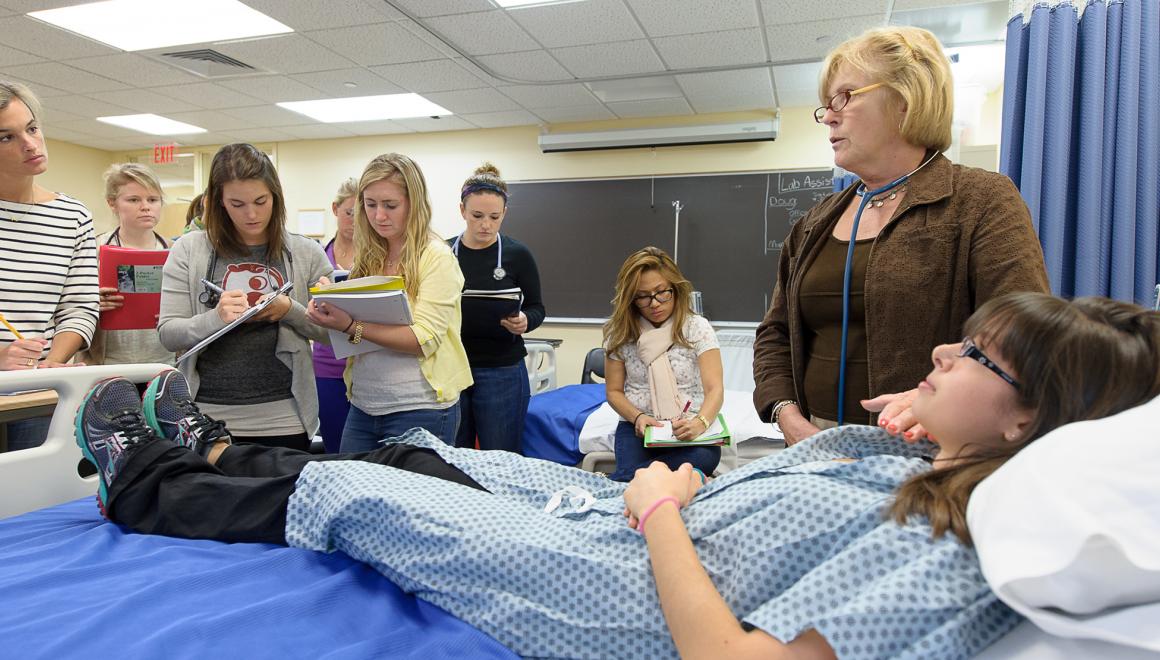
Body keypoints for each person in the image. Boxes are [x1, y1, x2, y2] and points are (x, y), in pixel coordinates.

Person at [77, 292, 1160, 658]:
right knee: (430, 452)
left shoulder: (964, 546)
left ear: (1033, 422)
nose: (937, 355)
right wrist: (897, 425)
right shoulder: (917, 466)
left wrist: (655, 509)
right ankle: (216, 449)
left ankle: (143, 480)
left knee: (364, 493)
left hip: (632, 568)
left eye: (970, 357)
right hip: (631, 519)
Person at [752, 26, 1050, 446]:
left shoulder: (981, 200)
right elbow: (775, 333)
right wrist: (786, 416)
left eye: (846, 96)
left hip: (926, 440)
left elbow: (1024, 332)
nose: (829, 115)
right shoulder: (814, 223)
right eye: (825, 105)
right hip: (810, 441)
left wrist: (933, 399)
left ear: (905, 101)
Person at [158, 143, 332, 451]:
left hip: (285, 418)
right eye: (237, 204)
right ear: (218, 202)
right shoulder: (188, 250)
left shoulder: (306, 253)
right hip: (205, 418)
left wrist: (290, 310)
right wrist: (216, 317)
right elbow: (169, 334)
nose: (251, 214)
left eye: (260, 201)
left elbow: (332, 336)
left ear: (276, 197)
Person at [306, 153, 470, 449]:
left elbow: (423, 339)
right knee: (351, 493)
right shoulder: (369, 256)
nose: (379, 216)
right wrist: (328, 307)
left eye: (390, 206)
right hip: (363, 405)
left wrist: (351, 325)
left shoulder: (436, 257)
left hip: (420, 408)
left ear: (413, 203)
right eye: (370, 205)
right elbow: (353, 332)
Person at [0, 80, 97, 450]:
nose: (29, 144)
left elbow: (80, 306)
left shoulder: (73, 216)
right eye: (6, 137)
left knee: (31, 500)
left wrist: (50, 363)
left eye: (31, 128)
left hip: (37, 395)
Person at [603, 247, 723, 481]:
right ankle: (634, 477)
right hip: (639, 427)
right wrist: (637, 418)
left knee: (703, 458)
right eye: (643, 296)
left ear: (676, 290)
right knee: (658, 472)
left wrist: (700, 422)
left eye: (661, 293)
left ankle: (624, 479)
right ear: (631, 299)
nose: (655, 303)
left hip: (689, 426)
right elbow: (614, 392)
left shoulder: (697, 328)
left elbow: (715, 389)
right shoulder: (619, 333)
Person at [449, 163, 545, 453]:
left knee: (501, 456)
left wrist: (525, 320)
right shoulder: (442, 254)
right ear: (462, 210)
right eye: (477, 216)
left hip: (502, 371)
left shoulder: (517, 254)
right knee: (455, 455)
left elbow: (537, 307)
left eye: (494, 216)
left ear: (504, 213)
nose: (485, 225)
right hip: (452, 369)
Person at [82, 163, 174, 366]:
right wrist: (90, 303)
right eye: (133, 200)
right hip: (108, 362)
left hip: (164, 361)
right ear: (112, 203)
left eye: (153, 199)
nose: (145, 207)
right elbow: (69, 308)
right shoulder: (92, 251)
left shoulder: (176, 252)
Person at [311, 178, 358, 452]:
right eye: (349, 213)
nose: (354, 221)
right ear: (335, 209)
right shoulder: (318, 256)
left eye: (361, 214)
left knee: (364, 453)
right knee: (334, 448)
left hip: (362, 363)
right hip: (327, 364)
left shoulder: (375, 256)